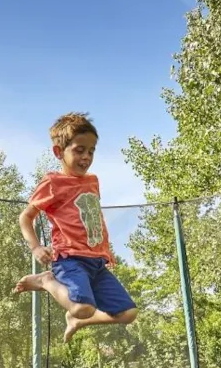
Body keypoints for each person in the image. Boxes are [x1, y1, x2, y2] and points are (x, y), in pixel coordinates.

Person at [13, 112, 138, 342]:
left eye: (91, 151)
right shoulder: (53, 182)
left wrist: (105, 252)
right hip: (69, 259)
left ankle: (79, 321)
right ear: (59, 152)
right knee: (82, 306)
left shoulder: (92, 181)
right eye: (79, 150)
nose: (86, 157)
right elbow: (25, 217)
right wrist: (36, 247)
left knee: (128, 313)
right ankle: (46, 280)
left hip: (96, 262)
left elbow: (92, 219)